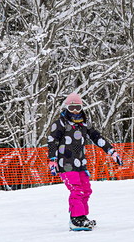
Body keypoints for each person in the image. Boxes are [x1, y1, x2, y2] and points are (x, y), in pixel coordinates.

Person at [47, 93, 123, 230]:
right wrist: (52, 160)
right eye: (72, 108)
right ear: (66, 108)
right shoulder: (60, 124)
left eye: (78, 107)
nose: (75, 111)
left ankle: (82, 217)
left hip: (80, 164)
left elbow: (97, 137)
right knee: (76, 189)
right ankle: (75, 219)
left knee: (86, 190)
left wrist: (111, 151)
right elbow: (52, 141)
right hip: (66, 164)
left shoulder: (83, 124)